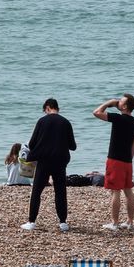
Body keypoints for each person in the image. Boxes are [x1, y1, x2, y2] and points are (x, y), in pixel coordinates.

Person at [20, 98, 77, 232]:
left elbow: (32, 143)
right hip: (60, 161)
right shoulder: (66, 122)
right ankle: (63, 223)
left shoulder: (42, 121)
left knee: (37, 192)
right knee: (60, 192)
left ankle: (32, 222)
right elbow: (73, 146)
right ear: (57, 108)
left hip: (44, 161)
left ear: (47, 108)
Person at [94, 94, 134, 231]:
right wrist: (129, 160)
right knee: (128, 191)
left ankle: (114, 223)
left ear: (125, 106)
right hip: (127, 161)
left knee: (115, 191)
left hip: (115, 160)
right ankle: (130, 222)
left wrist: (109, 103)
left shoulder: (118, 118)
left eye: (121, 101)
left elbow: (96, 112)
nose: (118, 102)